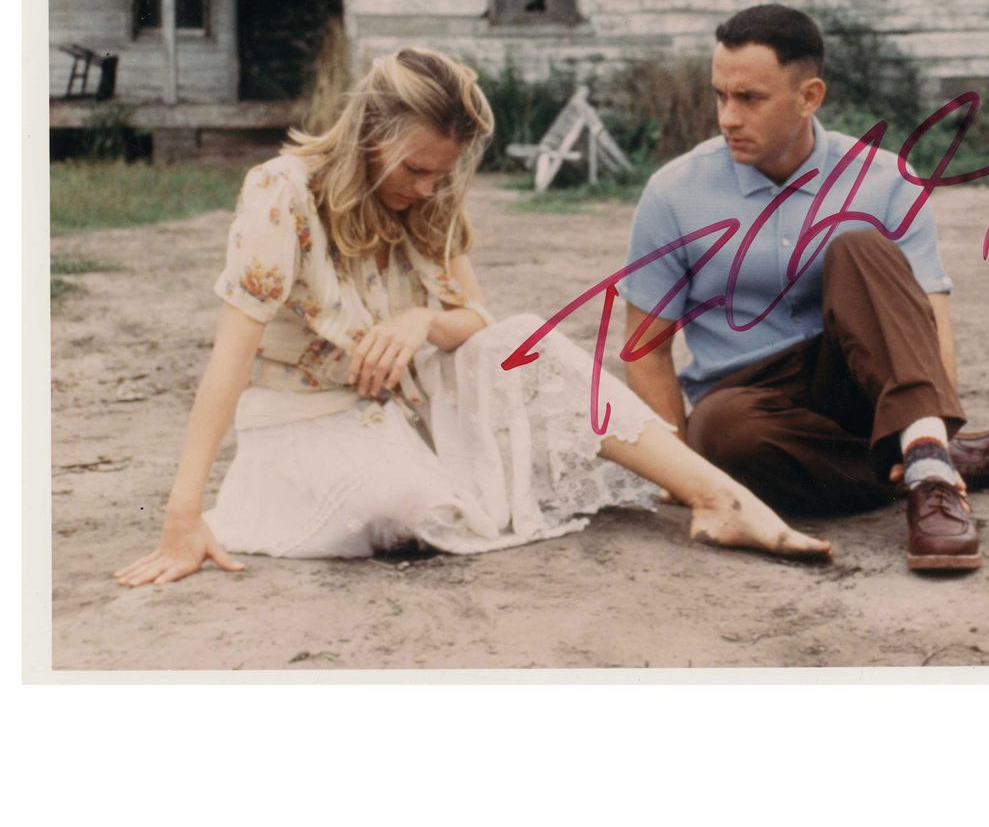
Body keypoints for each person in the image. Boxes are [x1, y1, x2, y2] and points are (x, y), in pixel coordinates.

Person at [115, 48, 832, 588]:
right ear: (369, 135)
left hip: (403, 401)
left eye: (441, 172)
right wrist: (183, 514)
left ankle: (717, 497)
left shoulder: (430, 191)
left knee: (525, 340)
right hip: (304, 417)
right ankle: (421, 479)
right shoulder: (281, 193)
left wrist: (421, 323)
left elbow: (477, 320)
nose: (428, 187)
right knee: (415, 509)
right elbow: (229, 358)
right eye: (413, 170)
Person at [618, 4, 989, 572]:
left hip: (863, 382)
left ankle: (931, 474)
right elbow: (646, 348)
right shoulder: (674, 192)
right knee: (720, 435)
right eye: (720, 96)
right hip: (752, 403)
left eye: (750, 99)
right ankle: (932, 455)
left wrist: (935, 408)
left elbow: (929, 318)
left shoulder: (886, 180)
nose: (728, 118)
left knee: (857, 246)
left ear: (809, 97)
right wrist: (686, 475)